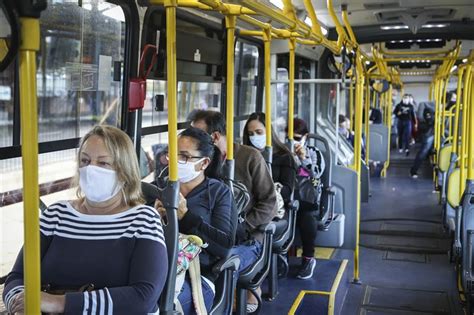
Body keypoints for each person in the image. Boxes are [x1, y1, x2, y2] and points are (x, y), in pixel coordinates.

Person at [2, 125, 168, 314]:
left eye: (103, 163)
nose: (91, 170)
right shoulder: (55, 215)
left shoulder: (143, 220)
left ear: (124, 171)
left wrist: (58, 303)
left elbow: (143, 297)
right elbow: (17, 277)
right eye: (85, 161)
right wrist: (20, 302)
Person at [189, 110, 276, 311]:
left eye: (198, 136)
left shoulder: (249, 157)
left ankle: (225, 305)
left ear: (215, 136)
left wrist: (243, 226)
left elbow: (269, 202)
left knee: (221, 261)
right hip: (210, 234)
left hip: (249, 236)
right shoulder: (203, 163)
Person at [155, 127, 237, 314]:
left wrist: (185, 216)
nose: (175, 162)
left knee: (159, 303)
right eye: (172, 155)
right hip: (157, 267)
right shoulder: (158, 188)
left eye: (183, 157)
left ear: (204, 163)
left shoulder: (218, 193)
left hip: (196, 276)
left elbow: (224, 246)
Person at [290, 118, 326, 279]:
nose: (293, 141)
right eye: (290, 137)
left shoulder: (314, 153)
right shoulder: (281, 153)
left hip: (307, 199)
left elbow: (317, 174)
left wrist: (304, 159)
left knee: (307, 218)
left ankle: (308, 258)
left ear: (306, 137)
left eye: (297, 138)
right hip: (287, 197)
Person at [242, 112, 297, 205]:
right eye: (251, 134)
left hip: (272, 204)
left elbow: (287, 191)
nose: (255, 137)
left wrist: (267, 190)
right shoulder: (245, 155)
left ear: (268, 132)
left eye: (259, 132)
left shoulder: (284, 157)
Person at [410, 106, 435, 178]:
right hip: (430, 134)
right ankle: (414, 170)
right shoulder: (430, 111)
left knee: (424, 152)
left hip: (432, 133)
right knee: (423, 152)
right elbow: (429, 122)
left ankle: (414, 170)